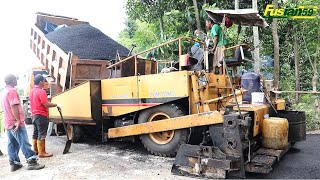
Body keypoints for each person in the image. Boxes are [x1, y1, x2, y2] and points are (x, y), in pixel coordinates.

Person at [0, 74, 45, 171]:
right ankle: (31, 161)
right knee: (24, 142)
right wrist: (17, 120)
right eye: (16, 79)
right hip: (15, 123)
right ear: (12, 81)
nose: (17, 81)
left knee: (12, 144)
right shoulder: (12, 91)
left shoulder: (4, 92)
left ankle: (14, 163)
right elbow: (14, 106)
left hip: (8, 122)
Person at [29, 74, 57, 158]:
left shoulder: (32, 91)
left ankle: (35, 150)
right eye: (44, 81)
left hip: (34, 115)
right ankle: (42, 152)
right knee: (41, 133)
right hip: (41, 115)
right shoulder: (41, 91)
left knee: (35, 133)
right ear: (41, 81)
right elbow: (46, 104)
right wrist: (56, 104)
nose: (44, 83)